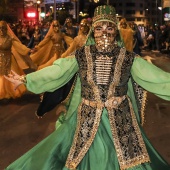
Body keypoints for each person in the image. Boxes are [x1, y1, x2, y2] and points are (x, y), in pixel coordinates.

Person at [4, 5, 170, 170]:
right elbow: (58, 72)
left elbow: (157, 78)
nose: (104, 31)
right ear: (93, 31)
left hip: (122, 120)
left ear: (116, 31)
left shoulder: (128, 58)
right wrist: (27, 80)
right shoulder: (82, 55)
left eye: (109, 27)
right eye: (99, 27)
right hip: (86, 118)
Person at [0, 20, 36, 100]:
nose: (1, 30)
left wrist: (29, 50)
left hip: (9, 59)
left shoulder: (10, 39)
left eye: (3, 28)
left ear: (6, 29)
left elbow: (19, 46)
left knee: (9, 75)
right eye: (0, 28)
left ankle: (10, 92)